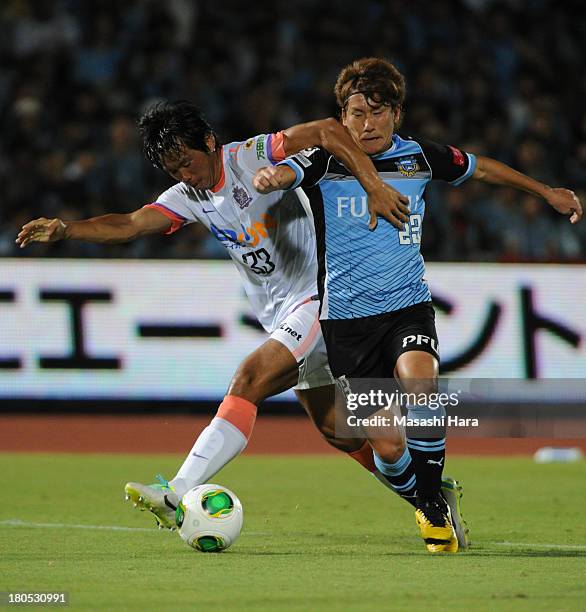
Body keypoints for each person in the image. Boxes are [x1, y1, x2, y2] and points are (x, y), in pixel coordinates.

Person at [16, 100, 469, 546]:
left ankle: (175, 492)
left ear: (210, 142)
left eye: (188, 163)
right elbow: (132, 224)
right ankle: (431, 498)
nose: (186, 176)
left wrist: (370, 182)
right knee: (340, 432)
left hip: (322, 296)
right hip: (282, 314)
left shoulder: (253, 154)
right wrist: (68, 230)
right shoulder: (187, 196)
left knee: (248, 379)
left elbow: (329, 129)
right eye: (174, 171)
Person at [254, 57, 582, 553]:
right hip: (345, 320)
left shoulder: (419, 158)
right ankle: (433, 503)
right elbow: (286, 172)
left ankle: (432, 508)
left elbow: (481, 168)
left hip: (407, 306)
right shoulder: (325, 160)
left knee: (422, 385)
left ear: (397, 114)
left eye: (378, 113)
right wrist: (271, 179)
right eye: (356, 114)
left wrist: (546, 192)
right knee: (387, 444)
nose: (367, 124)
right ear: (341, 118)